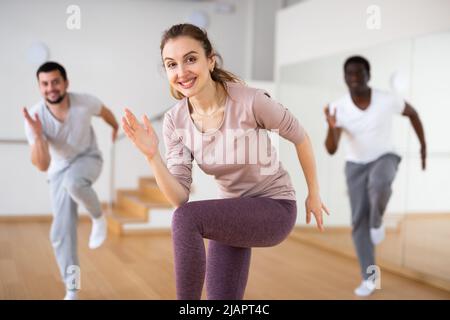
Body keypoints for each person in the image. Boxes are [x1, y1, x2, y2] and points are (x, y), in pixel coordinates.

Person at [122, 23, 329, 300]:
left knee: (186, 220)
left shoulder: (250, 101)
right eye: (171, 64)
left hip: (274, 207)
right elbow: (178, 198)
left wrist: (313, 193)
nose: (181, 72)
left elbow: (301, 137)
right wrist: (152, 156)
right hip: (233, 211)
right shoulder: (175, 121)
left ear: (211, 61)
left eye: (191, 59)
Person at [324, 56, 426, 297]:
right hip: (355, 165)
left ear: (368, 75)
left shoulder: (387, 99)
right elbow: (331, 149)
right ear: (344, 77)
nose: (355, 78)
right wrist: (331, 125)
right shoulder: (338, 107)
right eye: (350, 74)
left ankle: (377, 221)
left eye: (359, 73)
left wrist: (424, 147)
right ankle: (370, 279)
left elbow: (413, 113)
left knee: (379, 184)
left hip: (385, 157)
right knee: (359, 222)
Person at [23, 61, 119, 300]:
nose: (51, 88)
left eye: (55, 81)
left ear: (66, 83)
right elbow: (43, 165)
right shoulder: (35, 118)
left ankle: (98, 218)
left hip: (88, 158)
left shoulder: (84, 101)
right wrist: (37, 137)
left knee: (74, 183)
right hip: (57, 170)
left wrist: (115, 127)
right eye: (44, 84)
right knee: (61, 232)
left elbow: (104, 111)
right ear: (39, 87)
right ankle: (72, 289)